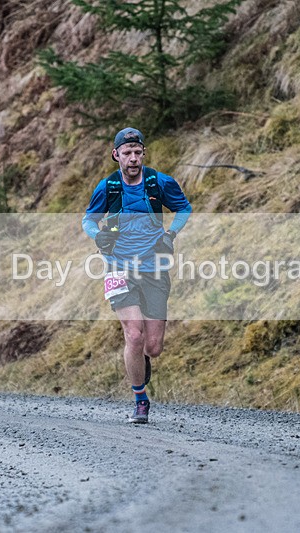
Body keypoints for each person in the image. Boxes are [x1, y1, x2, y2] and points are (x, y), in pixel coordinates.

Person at [82, 127, 192, 424]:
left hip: (154, 267)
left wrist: (170, 234)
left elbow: (184, 208)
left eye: (137, 152)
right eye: (127, 153)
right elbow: (88, 220)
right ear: (116, 154)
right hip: (118, 266)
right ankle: (140, 400)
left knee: (153, 347)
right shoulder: (108, 187)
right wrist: (98, 237)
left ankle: (140, 360)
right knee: (133, 333)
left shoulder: (159, 183)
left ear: (143, 153)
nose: (133, 158)